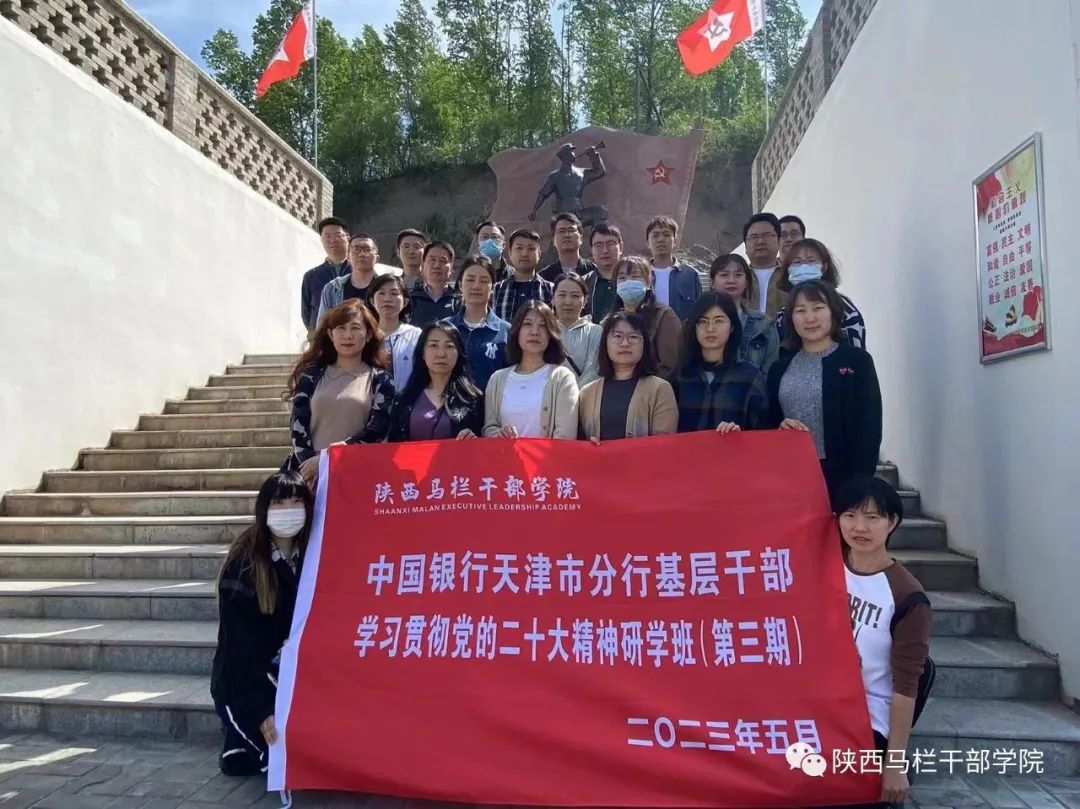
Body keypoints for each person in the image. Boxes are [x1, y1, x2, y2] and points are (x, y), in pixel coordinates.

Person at [837, 475, 933, 808]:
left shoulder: (907, 596)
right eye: (849, 515)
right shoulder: (827, 567)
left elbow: (906, 686)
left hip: (869, 719)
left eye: (872, 517)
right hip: (822, 706)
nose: (859, 527)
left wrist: (894, 763)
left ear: (892, 523)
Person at [211, 470, 312, 777]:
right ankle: (239, 735)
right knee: (275, 761)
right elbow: (239, 652)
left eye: (296, 502)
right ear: (264, 509)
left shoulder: (313, 555)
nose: (289, 510)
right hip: (246, 681)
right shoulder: (243, 565)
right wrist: (261, 709)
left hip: (297, 674)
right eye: (279, 503)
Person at [766, 281, 882, 498]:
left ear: (833, 312)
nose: (810, 318)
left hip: (844, 478)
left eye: (818, 308)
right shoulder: (779, 368)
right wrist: (780, 427)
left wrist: (861, 482)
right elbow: (768, 424)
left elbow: (870, 425)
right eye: (801, 311)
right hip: (790, 477)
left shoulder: (857, 361)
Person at [288, 299, 395, 481]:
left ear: (368, 335)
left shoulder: (381, 380)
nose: (348, 335)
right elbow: (298, 425)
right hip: (311, 472)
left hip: (359, 471)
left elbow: (377, 431)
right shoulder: (311, 375)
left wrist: (328, 460)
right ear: (331, 334)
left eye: (355, 328)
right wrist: (310, 465)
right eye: (341, 328)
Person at [670, 291, 768, 434]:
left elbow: (764, 433)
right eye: (703, 321)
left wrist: (739, 434)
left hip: (735, 448)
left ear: (732, 327)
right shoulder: (678, 376)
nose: (710, 329)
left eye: (719, 321)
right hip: (686, 449)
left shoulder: (751, 377)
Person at [483, 301, 579, 439]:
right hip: (504, 453)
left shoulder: (562, 378)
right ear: (517, 331)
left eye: (543, 326)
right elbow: (489, 428)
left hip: (546, 454)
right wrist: (498, 435)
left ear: (551, 333)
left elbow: (565, 436)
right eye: (527, 324)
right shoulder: (497, 379)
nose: (534, 332)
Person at [578, 312, 677, 440]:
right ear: (605, 343)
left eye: (633, 337)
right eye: (617, 336)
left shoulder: (660, 389)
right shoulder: (587, 392)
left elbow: (664, 443)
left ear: (645, 344)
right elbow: (578, 441)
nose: (625, 343)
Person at [387, 323, 484, 441]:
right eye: (433, 345)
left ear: (459, 353)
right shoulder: (404, 399)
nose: (441, 354)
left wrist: (473, 440)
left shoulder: (473, 400)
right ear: (422, 353)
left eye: (449, 346)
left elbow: (484, 443)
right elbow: (393, 443)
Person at [775, 238, 866, 349]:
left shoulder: (845, 309)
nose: (804, 266)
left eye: (811, 261)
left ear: (824, 267)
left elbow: (856, 350)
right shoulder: (782, 315)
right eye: (797, 262)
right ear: (788, 269)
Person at [442, 256, 511, 390]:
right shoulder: (445, 328)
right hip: (450, 401)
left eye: (484, 281)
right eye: (470, 280)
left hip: (491, 402)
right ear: (460, 285)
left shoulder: (506, 331)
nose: (476, 286)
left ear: (492, 287)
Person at [610, 255, 682, 378]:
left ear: (648, 282)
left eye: (635, 277)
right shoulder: (610, 320)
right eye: (622, 278)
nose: (628, 282)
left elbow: (670, 365)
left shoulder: (664, 316)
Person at [710, 253, 780, 375]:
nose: (731, 280)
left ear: (747, 281)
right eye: (724, 275)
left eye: (738, 275)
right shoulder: (699, 321)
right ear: (712, 282)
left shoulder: (764, 324)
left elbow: (771, 371)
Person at [645, 215, 706, 321]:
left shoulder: (690, 275)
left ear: (675, 241)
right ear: (647, 243)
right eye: (655, 235)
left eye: (666, 235)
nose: (661, 239)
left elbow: (700, 312)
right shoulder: (640, 274)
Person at [370, 273, 422, 390]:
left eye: (394, 293)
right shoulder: (366, 335)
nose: (387, 299)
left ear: (405, 302)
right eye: (381, 293)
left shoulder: (415, 335)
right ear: (372, 301)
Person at [492, 228, 554, 323]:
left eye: (531, 249)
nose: (524, 254)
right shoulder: (496, 290)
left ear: (539, 254)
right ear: (510, 253)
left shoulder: (551, 290)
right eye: (519, 248)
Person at [301, 217, 350, 334]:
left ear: (348, 238)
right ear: (321, 241)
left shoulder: (359, 272)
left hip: (352, 336)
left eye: (338, 235)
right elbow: (306, 312)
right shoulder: (311, 276)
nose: (333, 240)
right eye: (327, 236)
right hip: (321, 337)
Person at [317, 234, 380, 324]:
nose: (361, 254)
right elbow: (322, 325)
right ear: (348, 256)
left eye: (367, 250)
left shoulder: (386, 288)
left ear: (377, 258)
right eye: (356, 249)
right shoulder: (332, 289)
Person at [552, 273, 601, 387]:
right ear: (553, 299)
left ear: (585, 301)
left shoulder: (596, 332)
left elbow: (594, 370)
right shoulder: (546, 330)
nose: (568, 301)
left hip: (585, 394)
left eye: (575, 296)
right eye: (562, 295)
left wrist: (573, 393)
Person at [408, 241, 462, 328]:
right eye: (432, 260)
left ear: (451, 269)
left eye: (443, 261)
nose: (436, 265)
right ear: (423, 265)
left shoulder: (459, 300)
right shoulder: (410, 299)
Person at [742, 213, 787, 318]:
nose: (760, 241)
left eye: (766, 235)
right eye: (754, 237)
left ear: (779, 241)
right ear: (745, 246)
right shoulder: (737, 278)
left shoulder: (791, 276)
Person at [539, 213, 597, 283]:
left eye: (571, 230)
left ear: (581, 238)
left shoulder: (595, 271)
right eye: (561, 231)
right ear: (553, 240)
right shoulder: (543, 277)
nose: (567, 235)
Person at [585, 223, 622, 320]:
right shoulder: (584, 283)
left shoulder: (633, 280)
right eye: (598, 245)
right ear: (591, 251)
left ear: (621, 247)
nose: (605, 250)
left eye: (610, 244)